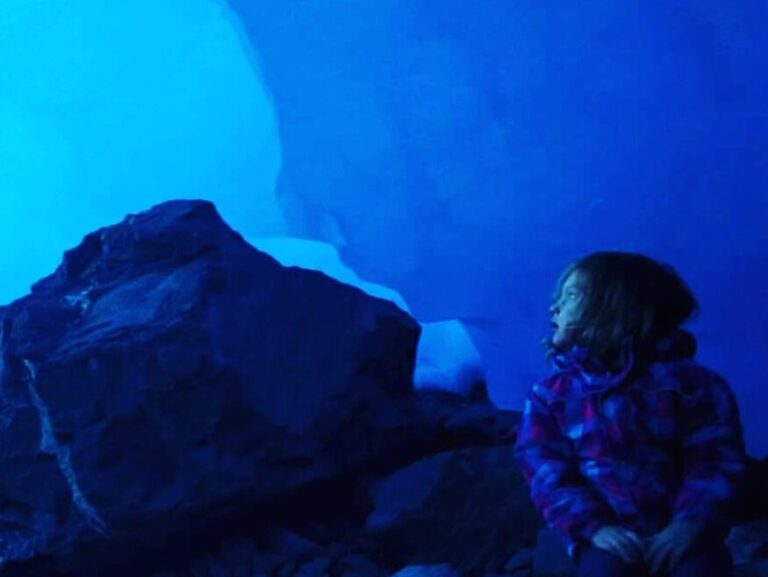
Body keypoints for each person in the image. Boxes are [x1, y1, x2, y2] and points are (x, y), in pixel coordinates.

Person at [513, 251, 746, 577]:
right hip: (604, 538)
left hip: (685, 534)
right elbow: (545, 472)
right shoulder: (550, 395)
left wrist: (691, 522)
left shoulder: (694, 385)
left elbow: (715, 459)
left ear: (617, 307)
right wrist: (593, 528)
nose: (555, 308)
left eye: (572, 296)